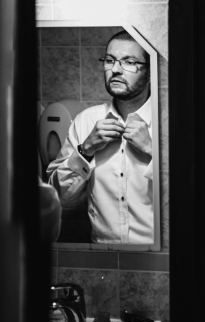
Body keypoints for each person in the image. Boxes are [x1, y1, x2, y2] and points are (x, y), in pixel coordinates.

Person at [47, 30, 154, 244]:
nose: (115, 70)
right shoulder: (85, 121)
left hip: (159, 257)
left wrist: (153, 152)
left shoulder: (166, 123)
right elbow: (56, 198)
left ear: (151, 72)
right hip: (103, 256)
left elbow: (192, 201)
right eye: (110, 60)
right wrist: (85, 151)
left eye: (129, 62)